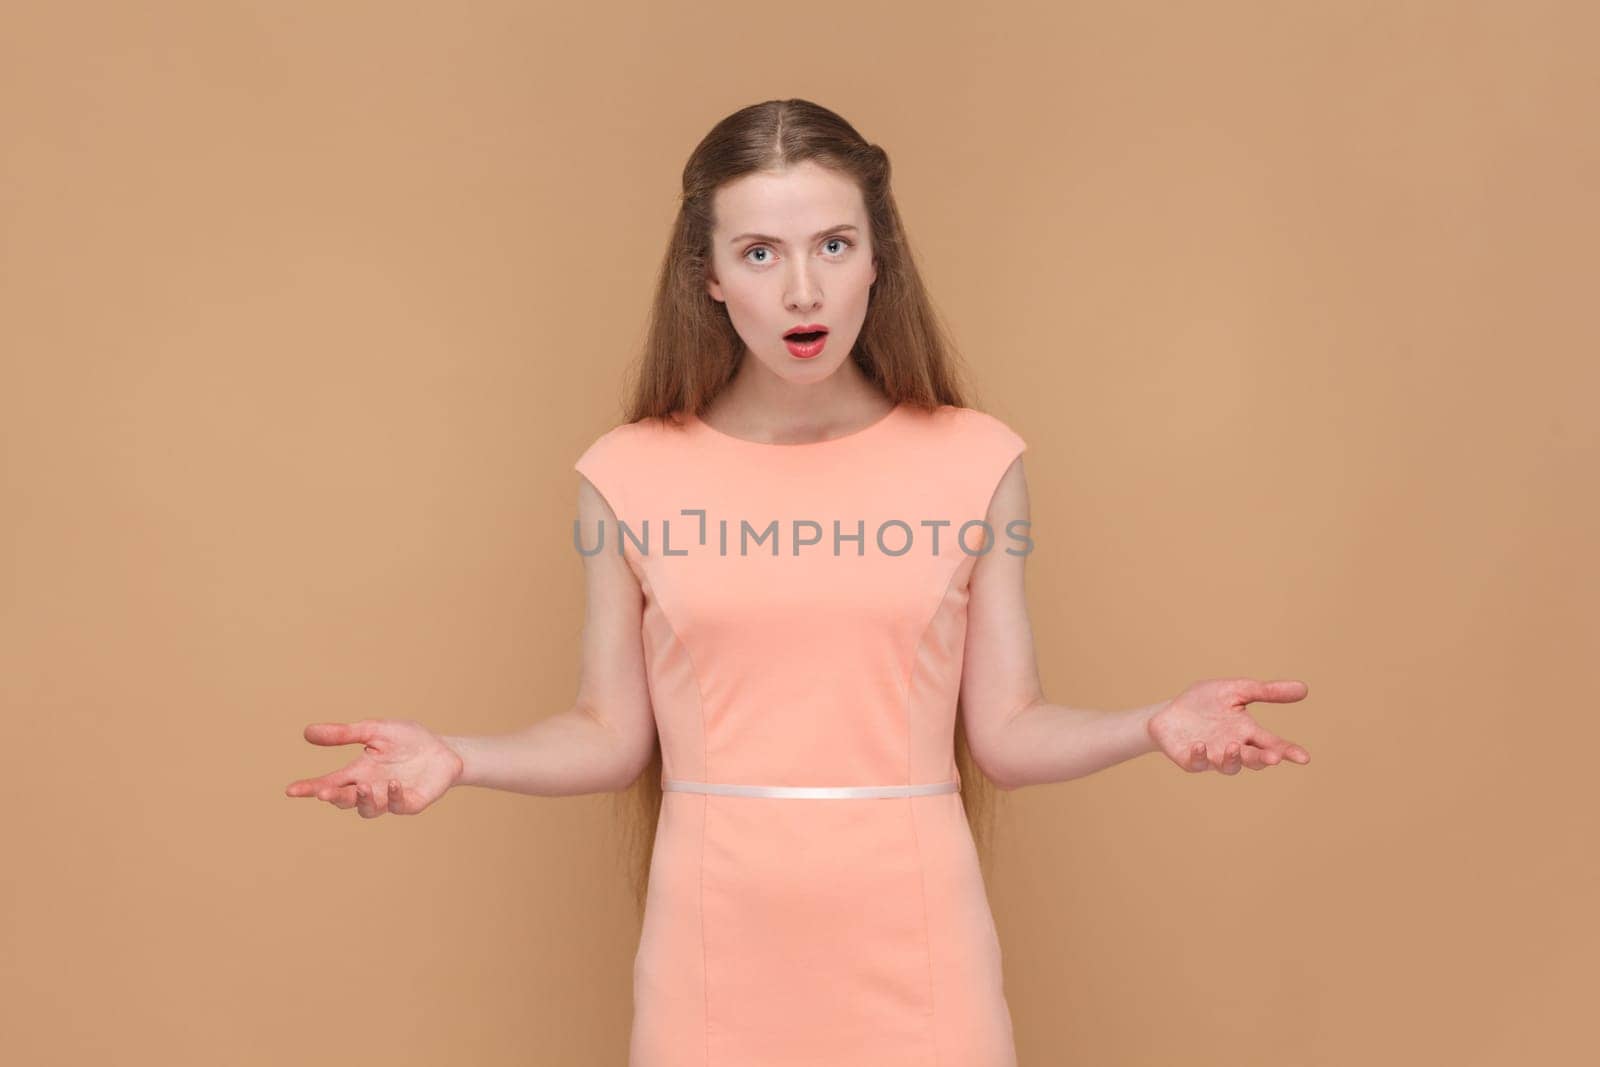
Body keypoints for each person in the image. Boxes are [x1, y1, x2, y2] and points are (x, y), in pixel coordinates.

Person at [285, 98, 1312, 1066]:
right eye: (760, 253)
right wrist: (455, 757)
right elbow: (608, 732)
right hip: (713, 950)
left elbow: (1006, 730)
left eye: (832, 245)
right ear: (710, 276)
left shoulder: (975, 459)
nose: (804, 291)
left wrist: (1152, 724)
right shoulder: (627, 472)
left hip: (919, 948)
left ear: (878, 260)